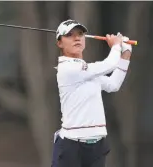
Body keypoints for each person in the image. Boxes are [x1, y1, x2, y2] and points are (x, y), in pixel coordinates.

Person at [51, 19, 132, 167]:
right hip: (72, 146)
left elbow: (113, 85)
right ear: (60, 43)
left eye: (80, 34)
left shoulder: (86, 70)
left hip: (96, 147)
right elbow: (109, 65)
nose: (76, 38)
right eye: (69, 35)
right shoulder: (67, 69)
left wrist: (125, 53)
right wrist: (116, 46)